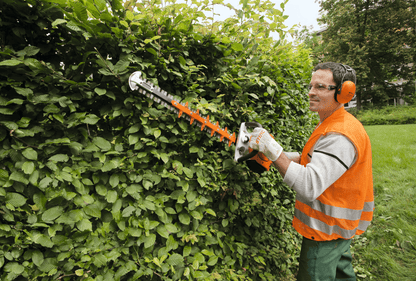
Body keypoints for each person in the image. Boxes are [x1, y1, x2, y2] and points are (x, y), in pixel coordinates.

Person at [249, 62, 374, 281]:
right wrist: (276, 155)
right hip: (338, 229)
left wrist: (275, 151)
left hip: (325, 232)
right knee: (343, 275)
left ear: (344, 93)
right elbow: (314, 160)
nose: (311, 92)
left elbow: (309, 186)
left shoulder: (340, 135)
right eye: (311, 86)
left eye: (320, 87)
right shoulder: (334, 122)